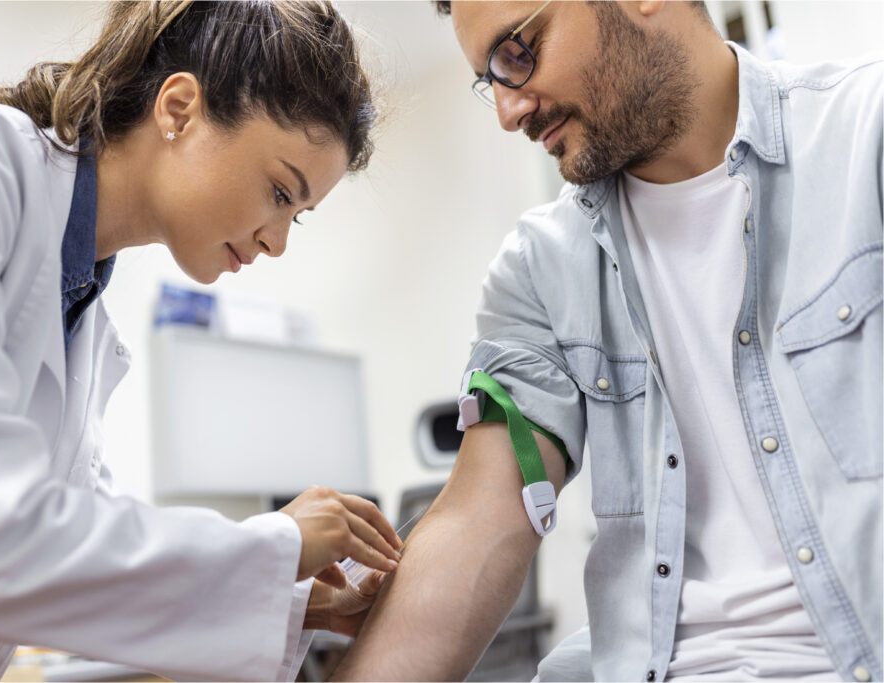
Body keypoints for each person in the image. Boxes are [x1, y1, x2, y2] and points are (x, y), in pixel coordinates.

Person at [333, 1, 882, 681]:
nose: (508, 111)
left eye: (518, 52)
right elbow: (479, 516)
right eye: (489, 80)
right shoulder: (539, 269)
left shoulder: (865, 136)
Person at [0, 1, 403, 680]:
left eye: (298, 215)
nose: (277, 242)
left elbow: (68, 566)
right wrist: (276, 545)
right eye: (277, 192)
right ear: (179, 110)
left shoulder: (81, 318)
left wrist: (294, 601)